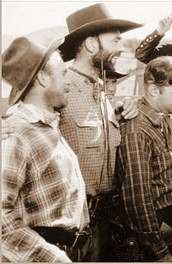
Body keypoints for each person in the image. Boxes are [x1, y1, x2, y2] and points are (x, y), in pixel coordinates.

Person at [57, 3, 142, 261]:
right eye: (116, 41)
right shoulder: (60, 90)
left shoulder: (102, 92)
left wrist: (122, 109)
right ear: (92, 45)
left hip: (104, 222)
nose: (121, 49)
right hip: (72, 230)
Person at [1, 37, 89, 262]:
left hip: (70, 249)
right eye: (62, 73)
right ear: (41, 78)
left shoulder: (47, 125)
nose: (67, 81)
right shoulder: (17, 133)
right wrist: (54, 259)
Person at [117, 56, 172, 262]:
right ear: (152, 90)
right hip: (153, 242)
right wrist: (158, 251)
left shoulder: (162, 117)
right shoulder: (137, 131)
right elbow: (136, 198)